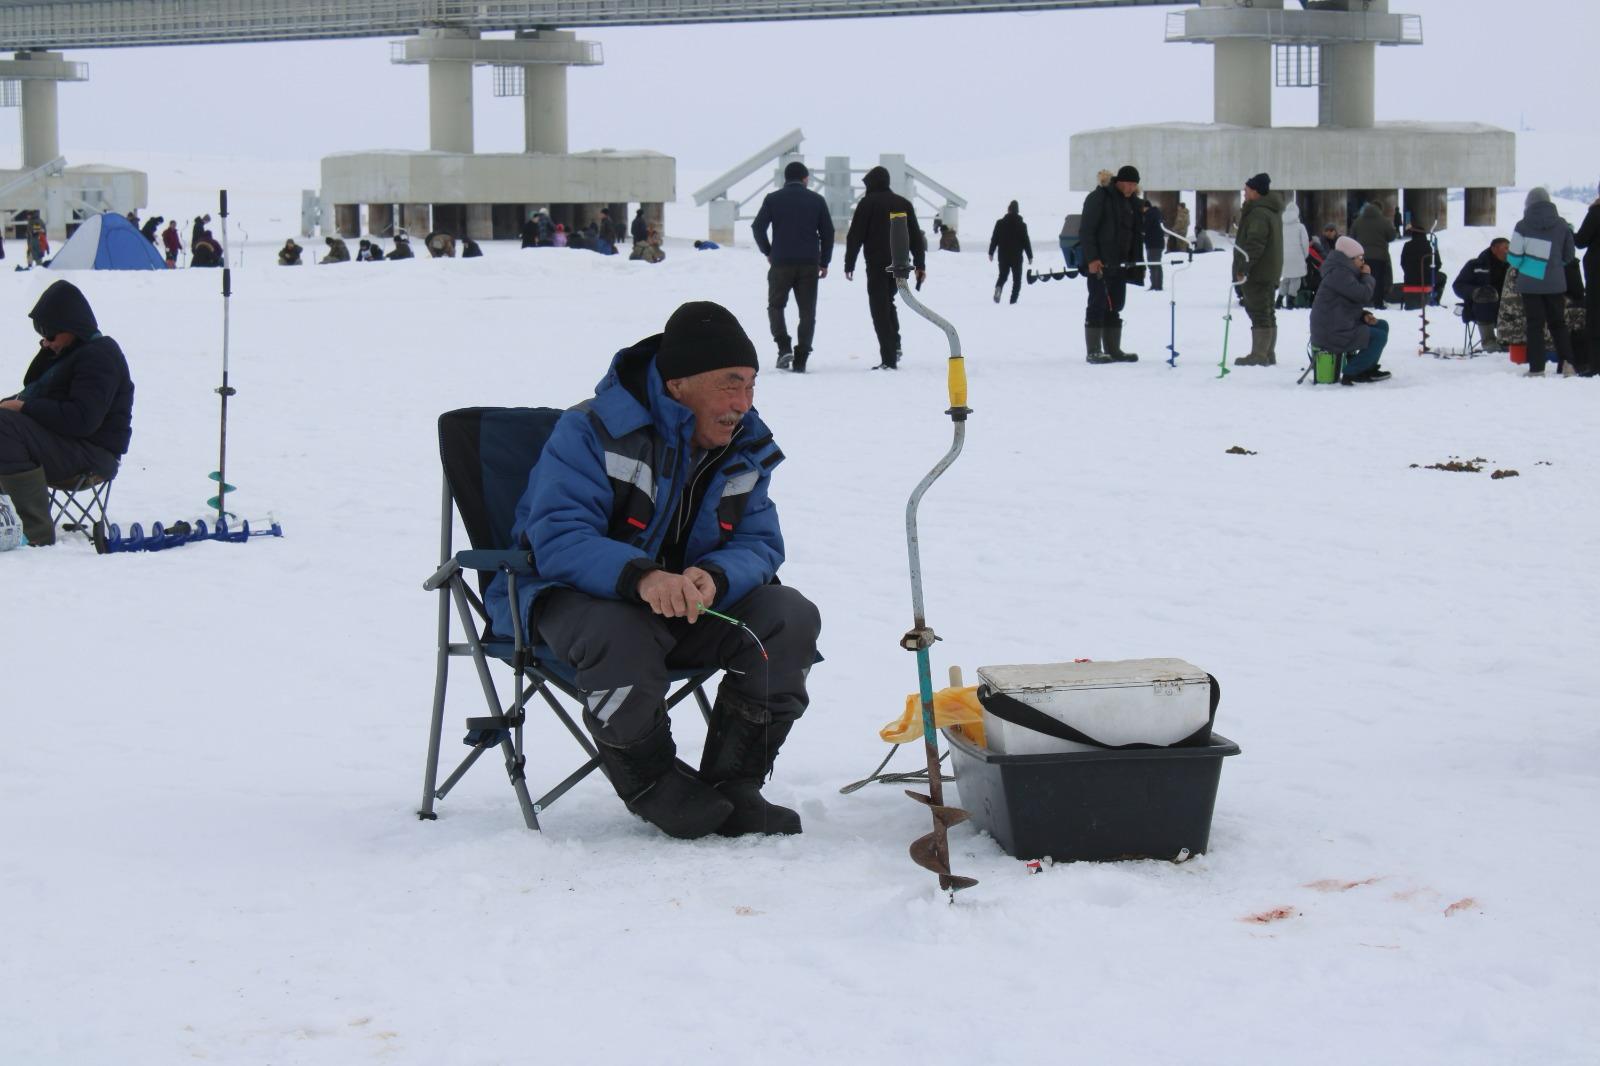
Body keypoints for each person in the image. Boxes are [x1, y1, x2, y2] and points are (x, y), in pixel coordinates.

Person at [484, 301, 821, 840]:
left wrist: (716, 575)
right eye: (729, 385)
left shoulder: (745, 446)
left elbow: (761, 541)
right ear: (678, 383)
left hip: (687, 609)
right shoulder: (590, 431)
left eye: (751, 386)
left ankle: (736, 784)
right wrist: (644, 577)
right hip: (571, 603)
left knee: (787, 616)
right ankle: (651, 781)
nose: (742, 404)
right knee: (622, 628)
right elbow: (559, 537)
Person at [0, 280, 134, 546]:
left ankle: (33, 530)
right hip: (68, 447)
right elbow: (36, 394)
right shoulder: (70, 353)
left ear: (72, 328)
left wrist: (25, 407)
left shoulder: (100, 356)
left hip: (93, 455)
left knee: (4, 425)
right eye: (43, 337)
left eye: (51, 335)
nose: (47, 343)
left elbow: (83, 420)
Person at [752, 161, 834, 372]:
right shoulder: (817, 200)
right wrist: (824, 261)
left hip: (781, 263)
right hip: (809, 264)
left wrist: (768, 251)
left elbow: (758, 227)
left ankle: (783, 346)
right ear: (805, 179)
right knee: (807, 311)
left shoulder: (773, 199)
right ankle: (801, 358)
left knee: (776, 306)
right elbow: (828, 233)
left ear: (785, 179)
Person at [844, 166, 927, 371]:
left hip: (876, 265)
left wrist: (849, 263)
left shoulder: (867, 204)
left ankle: (889, 358)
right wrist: (920, 264)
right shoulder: (903, 203)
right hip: (900, 265)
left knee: (879, 308)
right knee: (888, 302)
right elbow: (916, 236)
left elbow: (855, 235)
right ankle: (895, 344)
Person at [1509, 187, 1579, 376]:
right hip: (1556, 284)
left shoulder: (1522, 226)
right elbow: (1569, 255)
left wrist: (1530, 267)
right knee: (1558, 324)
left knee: (1535, 325)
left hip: (1530, 284)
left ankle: (1537, 368)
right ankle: (1568, 364)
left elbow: (1514, 257)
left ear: (1528, 203)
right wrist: (1554, 266)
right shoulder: (1562, 225)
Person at [1078, 164, 1143, 363]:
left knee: (1115, 304)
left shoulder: (1132, 203)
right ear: (1119, 181)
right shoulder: (1100, 198)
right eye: (1128, 183)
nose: (1131, 188)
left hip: (1120, 264)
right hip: (1099, 263)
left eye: (1134, 185)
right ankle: (1094, 350)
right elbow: (1087, 231)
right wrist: (1092, 259)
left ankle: (1113, 349)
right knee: (1097, 302)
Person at [1311, 235, 1391, 385]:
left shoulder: (1343, 272)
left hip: (1339, 326)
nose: (1362, 261)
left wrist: (1363, 316)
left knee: (1382, 326)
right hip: (1332, 333)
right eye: (1359, 258)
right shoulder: (1339, 274)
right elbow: (1363, 295)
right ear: (1349, 258)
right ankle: (1353, 372)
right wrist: (1366, 276)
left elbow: (1343, 306)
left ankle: (1367, 367)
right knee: (1378, 337)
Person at [1231, 173, 1283, 367]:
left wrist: (1244, 267)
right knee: (1267, 311)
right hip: (1269, 270)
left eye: (1247, 189)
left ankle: (1259, 354)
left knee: (1259, 311)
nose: (1244, 193)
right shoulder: (1271, 211)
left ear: (1255, 191)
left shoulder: (1259, 213)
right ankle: (1268, 353)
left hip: (1258, 272)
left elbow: (1254, 244)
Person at [1452, 238, 1510, 351]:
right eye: (1506, 248)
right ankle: (1489, 341)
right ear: (1494, 249)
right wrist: (1475, 292)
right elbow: (1458, 285)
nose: (1509, 251)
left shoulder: (1513, 267)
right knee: (1486, 296)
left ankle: (1511, 341)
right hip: (1480, 308)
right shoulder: (1475, 265)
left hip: (1507, 306)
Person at [1352, 200, 1397, 309]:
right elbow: (1392, 236)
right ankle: (1378, 303)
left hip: (1362, 256)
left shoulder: (1358, 221)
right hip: (1379, 256)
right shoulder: (1384, 221)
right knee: (1378, 279)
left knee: (1363, 278)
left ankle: (1364, 301)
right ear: (1380, 210)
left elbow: (1352, 236)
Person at [988, 200, 1033, 305]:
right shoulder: (1022, 225)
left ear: (1008, 210)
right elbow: (1026, 241)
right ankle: (1013, 301)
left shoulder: (1000, 223)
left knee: (1003, 275)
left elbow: (994, 238)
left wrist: (991, 252)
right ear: (1017, 211)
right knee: (1017, 281)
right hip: (1016, 256)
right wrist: (1030, 256)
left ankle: (999, 287)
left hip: (1003, 255)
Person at [1576, 194, 1600, 374]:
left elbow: (1581, 241)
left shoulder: (1596, 213)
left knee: (1595, 317)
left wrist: (1569, 232)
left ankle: (1595, 364)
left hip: (1597, 273)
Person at [1399, 226, 1446, 308]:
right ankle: (1435, 300)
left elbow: (1403, 263)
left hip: (1410, 279)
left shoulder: (1407, 245)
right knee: (1443, 277)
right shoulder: (1430, 245)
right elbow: (1437, 264)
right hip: (1427, 279)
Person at [1277, 201, 1310, 310]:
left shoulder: (1281, 226)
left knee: (1286, 278)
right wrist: (1305, 255)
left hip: (1283, 256)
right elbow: (1305, 243)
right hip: (1297, 256)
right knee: (1295, 280)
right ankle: (1290, 301)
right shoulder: (1300, 227)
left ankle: (1279, 300)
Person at [1139, 197, 1165, 291]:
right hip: (1158, 243)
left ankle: (1155, 285)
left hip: (1153, 243)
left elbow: (1145, 228)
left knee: (1153, 264)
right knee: (1157, 263)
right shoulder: (1156, 213)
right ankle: (1158, 284)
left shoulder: (1149, 215)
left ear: (1145, 207)